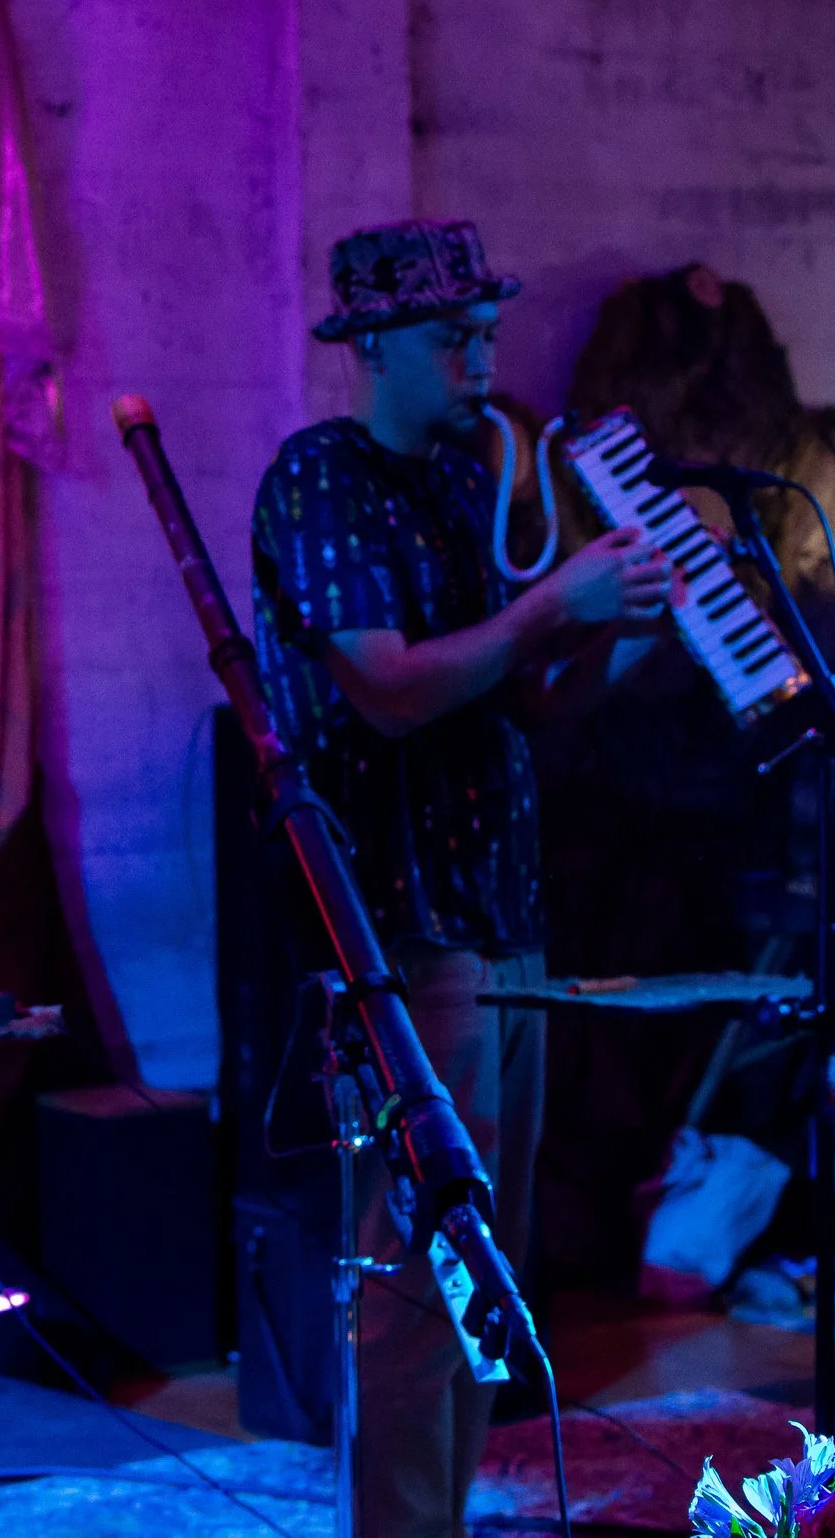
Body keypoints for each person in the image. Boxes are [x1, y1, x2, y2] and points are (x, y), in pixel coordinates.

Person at [251, 220, 671, 1538]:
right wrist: (550, 609)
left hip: (497, 920)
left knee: (487, 1273)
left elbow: (521, 706)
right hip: (404, 933)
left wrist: (613, 632)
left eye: (486, 332)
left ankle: (441, 1517)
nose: (482, 359)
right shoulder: (321, 476)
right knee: (415, 1282)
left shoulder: (452, 481)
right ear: (374, 346)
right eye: (453, 337)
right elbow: (386, 690)